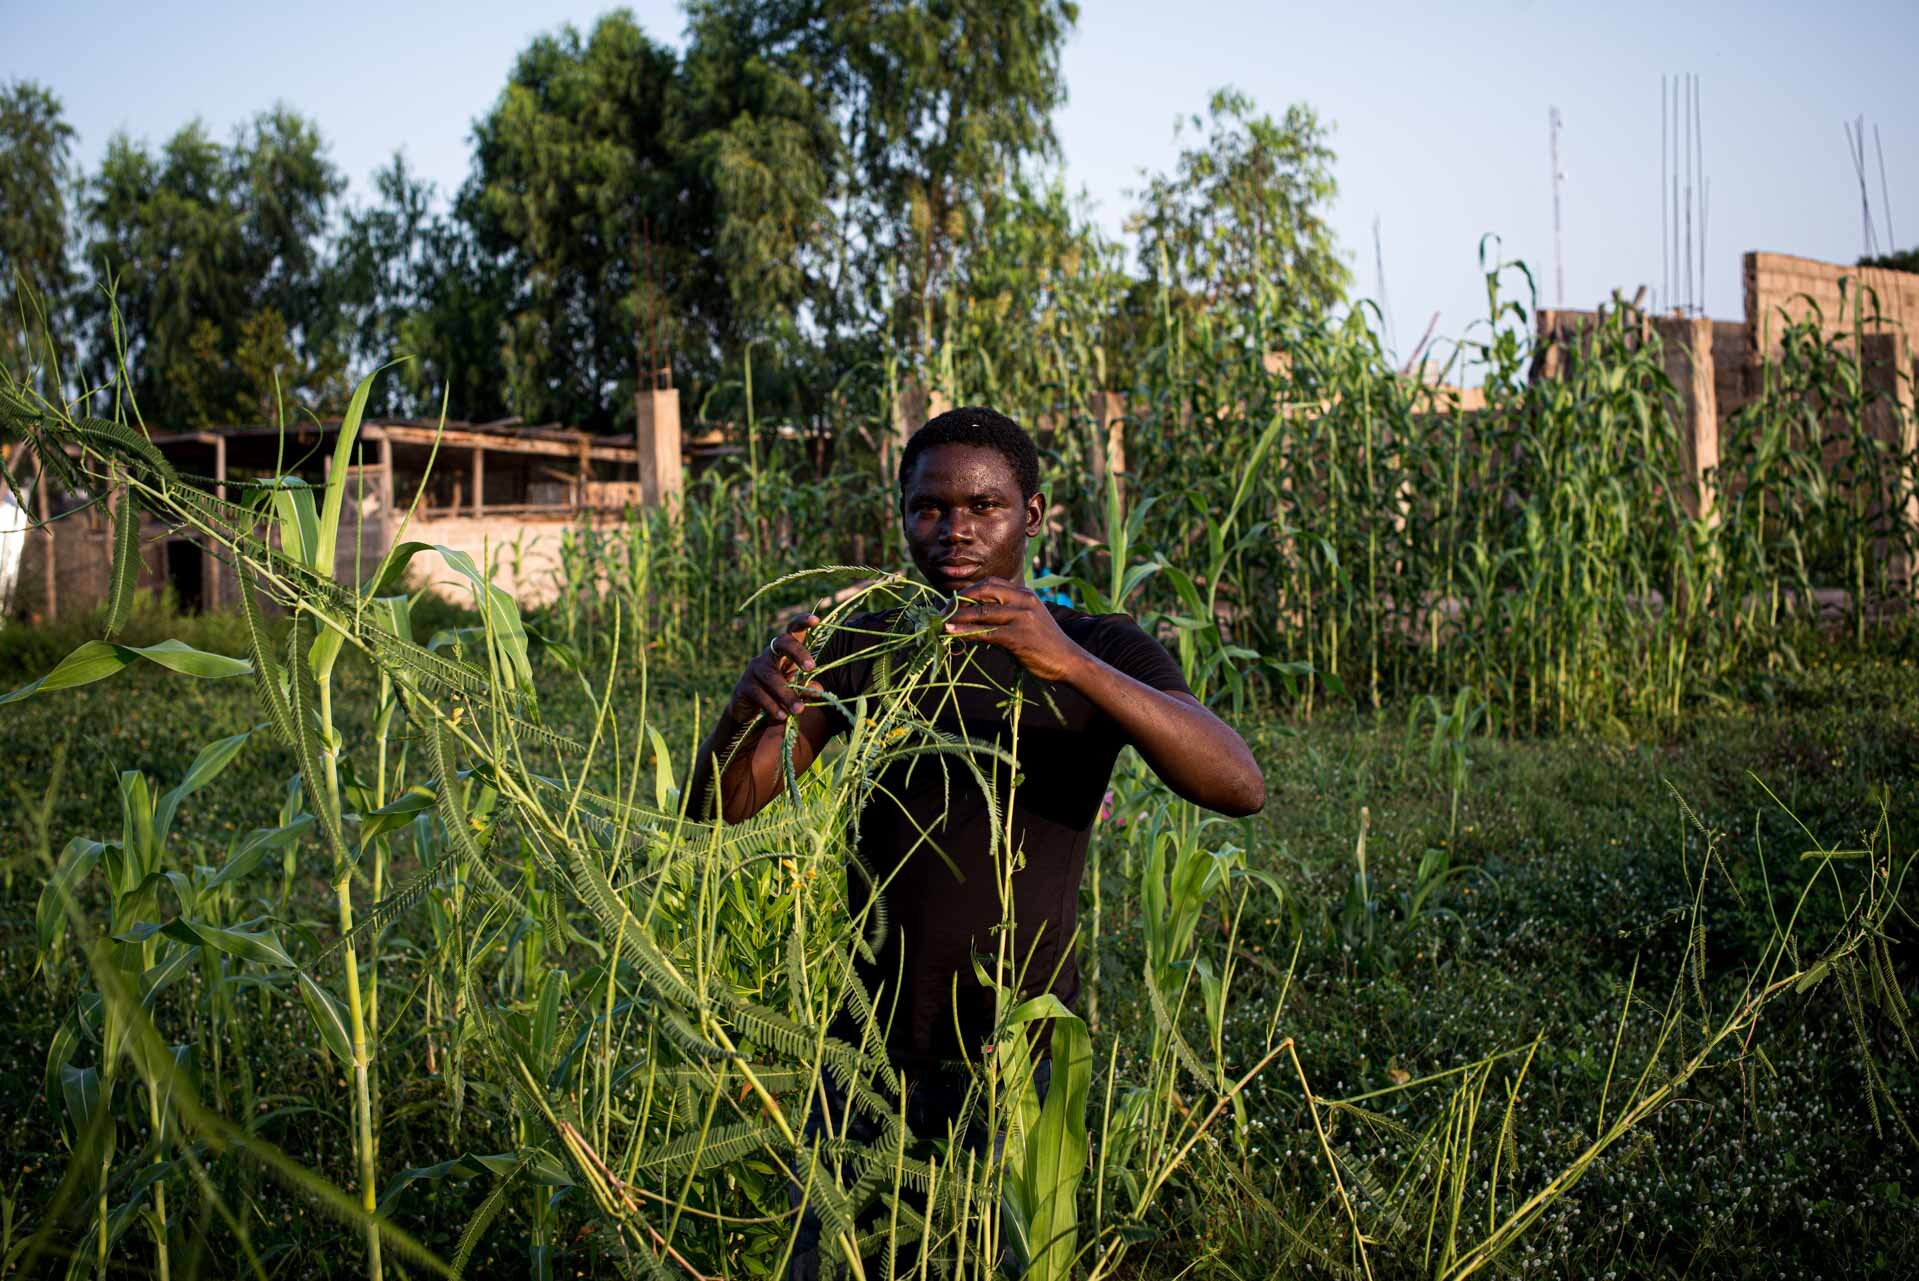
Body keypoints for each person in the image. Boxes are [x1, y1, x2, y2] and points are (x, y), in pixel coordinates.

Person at [686, 406, 1264, 1275]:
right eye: (928, 507)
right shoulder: (868, 639)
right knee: (837, 1257)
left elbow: (1237, 784)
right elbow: (724, 806)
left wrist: (1065, 660)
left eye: (983, 506)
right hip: (867, 1046)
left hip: (1017, 1049)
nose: (954, 529)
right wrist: (745, 705)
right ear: (902, 511)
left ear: (1030, 515)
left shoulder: (1097, 644)